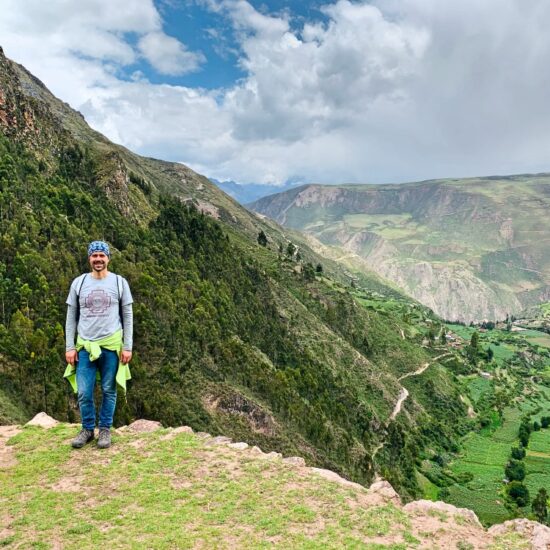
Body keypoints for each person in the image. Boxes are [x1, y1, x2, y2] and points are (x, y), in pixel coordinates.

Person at [64, 241, 133, 449]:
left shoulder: (120, 283)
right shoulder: (79, 283)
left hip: (111, 345)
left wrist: (127, 346)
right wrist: (69, 346)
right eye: (94, 256)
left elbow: (128, 315)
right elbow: (71, 317)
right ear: (89, 259)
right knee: (84, 391)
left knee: (108, 389)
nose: (98, 259)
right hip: (85, 346)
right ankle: (87, 429)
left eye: (102, 256)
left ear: (108, 258)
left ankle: (104, 429)